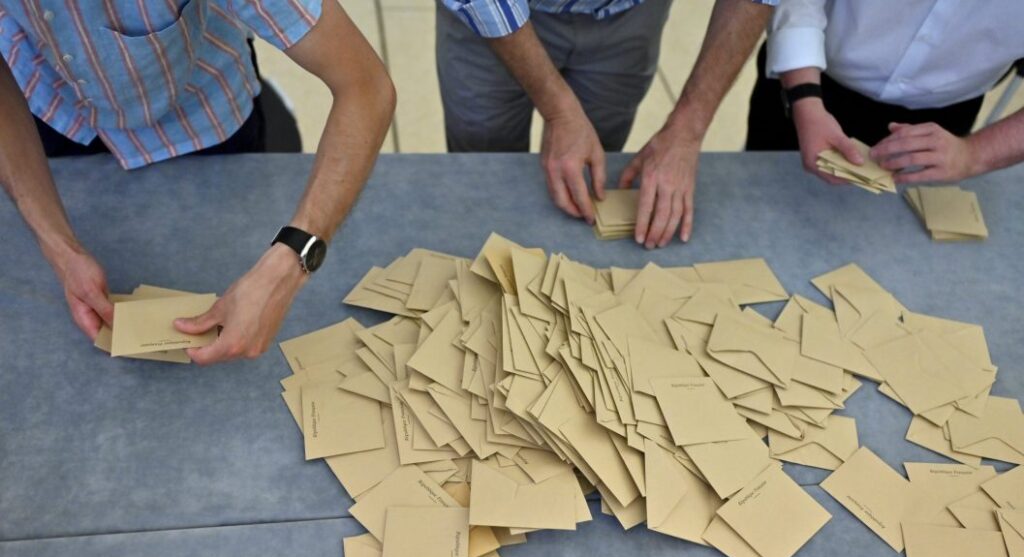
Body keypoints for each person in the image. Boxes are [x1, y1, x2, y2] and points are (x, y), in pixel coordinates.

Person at [0, 0, 395, 365]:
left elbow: (366, 86)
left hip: (203, 112)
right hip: (52, 109)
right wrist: (58, 246)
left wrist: (292, 260)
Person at [436, 0, 776, 249]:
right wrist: (560, 111)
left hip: (629, 14)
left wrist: (687, 130)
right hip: (490, 15)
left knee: (588, 177)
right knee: (484, 171)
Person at [746, 0, 1024, 187]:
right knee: (765, 195)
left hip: (943, 126)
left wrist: (974, 153)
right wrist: (804, 98)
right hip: (806, 79)